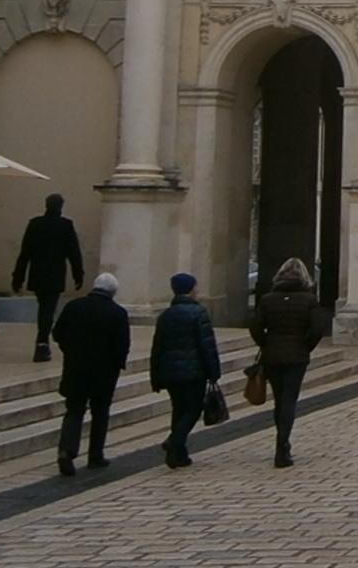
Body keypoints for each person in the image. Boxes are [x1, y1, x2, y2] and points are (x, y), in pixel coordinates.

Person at [50, 272, 129, 476]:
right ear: (113, 292)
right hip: (104, 373)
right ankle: (95, 456)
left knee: (74, 411)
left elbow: (57, 333)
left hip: (76, 369)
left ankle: (66, 450)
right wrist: (116, 364)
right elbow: (122, 346)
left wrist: (70, 350)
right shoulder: (117, 313)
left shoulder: (74, 307)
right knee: (100, 413)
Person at [248, 257, 323, 469]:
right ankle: (283, 445)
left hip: (272, 354)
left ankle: (281, 439)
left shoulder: (267, 299)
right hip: (296, 355)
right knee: (290, 398)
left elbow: (255, 327)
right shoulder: (309, 300)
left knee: (279, 399)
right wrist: (305, 346)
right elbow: (317, 329)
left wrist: (265, 343)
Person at [148, 272, 220, 469]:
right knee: (193, 409)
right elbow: (207, 345)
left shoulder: (165, 316)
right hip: (193, 371)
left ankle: (179, 454)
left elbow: (157, 348)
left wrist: (155, 376)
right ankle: (174, 442)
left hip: (171, 372)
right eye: (195, 287)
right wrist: (214, 372)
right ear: (190, 289)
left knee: (178, 410)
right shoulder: (198, 313)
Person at [12, 193, 85, 362]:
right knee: (48, 309)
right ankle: (42, 342)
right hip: (55, 275)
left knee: (45, 308)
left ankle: (42, 341)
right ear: (60, 206)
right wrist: (78, 274)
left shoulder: (35, 224)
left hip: (37, 274)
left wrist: (18, 277)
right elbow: (74, 253)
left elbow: (24, 254)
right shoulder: (65, 225)